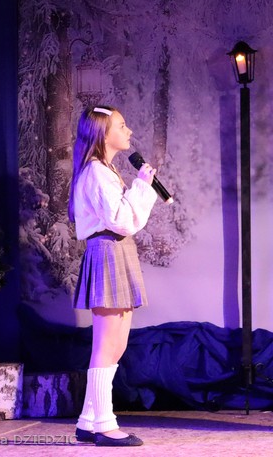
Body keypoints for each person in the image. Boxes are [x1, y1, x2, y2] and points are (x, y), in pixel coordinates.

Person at [68, 105, 158, 447]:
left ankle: (89, 420)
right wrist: (141, 187)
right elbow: (119, 219)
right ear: (103, 134)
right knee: (107, 344)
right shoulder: (96, 172)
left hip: (116, 250)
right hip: (107, 250)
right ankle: (104, 425)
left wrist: (141, 188)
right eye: (121, 125)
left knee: (116, 343)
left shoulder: (104, 170)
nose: (128, 131)